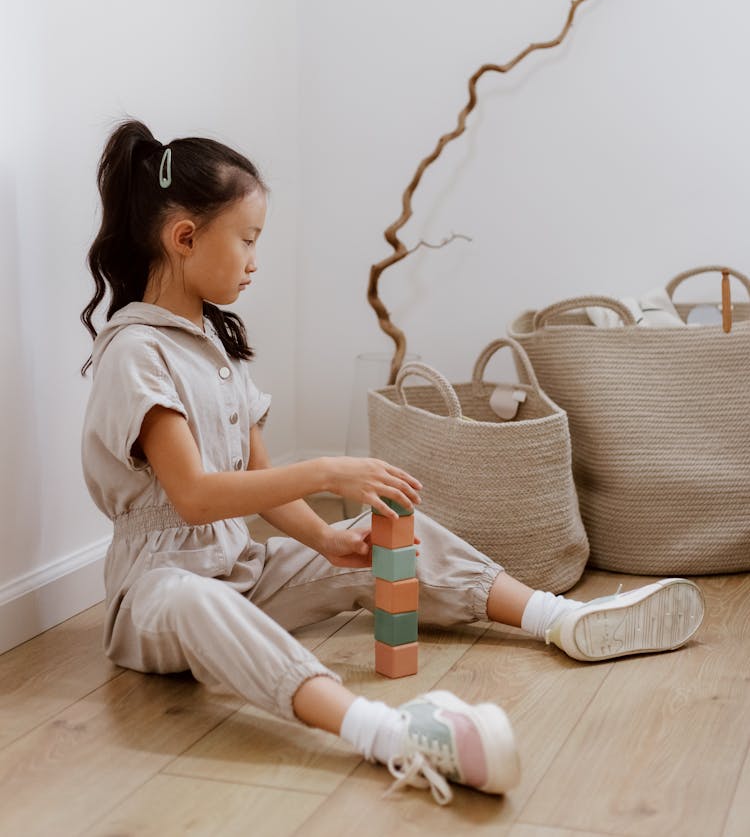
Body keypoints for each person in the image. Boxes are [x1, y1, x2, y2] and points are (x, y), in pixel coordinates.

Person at [80, 119, 705, 807]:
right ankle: (388, 732)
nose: (256, 259)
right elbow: (196, 496)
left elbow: (256, 485)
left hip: (242, 572)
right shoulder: (136, 352)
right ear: (186, 237)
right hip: (158, 599)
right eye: (249, 239)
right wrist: (325, 472)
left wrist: (326, 538)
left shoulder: (213, 349)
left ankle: (556, 618)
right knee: (192, 594)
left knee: (389, 531)